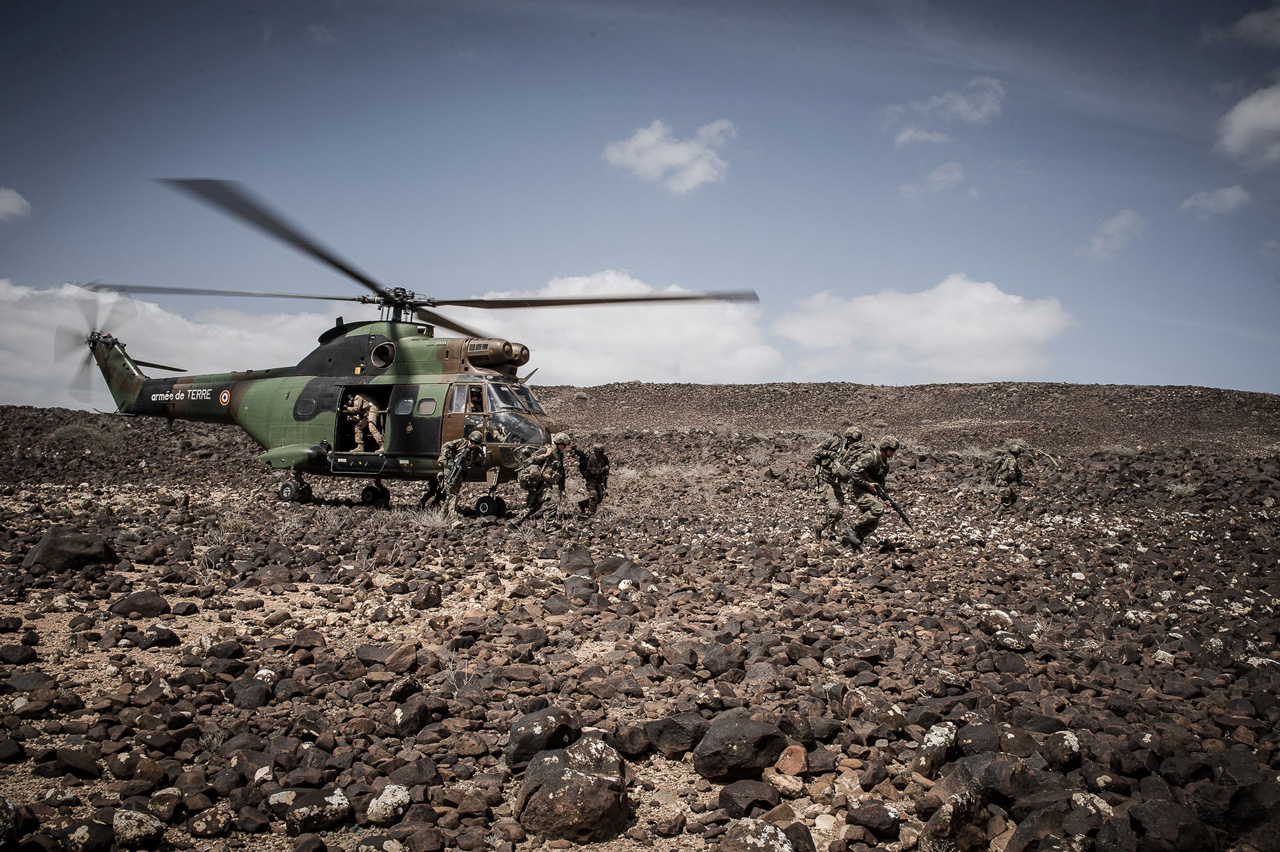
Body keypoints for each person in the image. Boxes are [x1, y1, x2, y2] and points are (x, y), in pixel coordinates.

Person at [842, 435, 900, 551]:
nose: (893, 453)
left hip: (868, 492)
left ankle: (853, 544)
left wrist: (885, 498)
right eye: (892, 450)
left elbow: (880, 484)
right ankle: (852, 528)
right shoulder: (871, 458)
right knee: (878, 509)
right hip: (857, 490)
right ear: (885, 447)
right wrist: (867, 484)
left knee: (873, 523)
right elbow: (853, 473)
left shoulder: (885, 465)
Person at [811, 425, 866, 543]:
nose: (853, 443)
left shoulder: (851, 452)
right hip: (825, 479)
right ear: (848, 437)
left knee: (839, 511)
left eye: (855, 441)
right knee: (834, 508)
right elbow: (815, 451)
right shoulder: (834, 442)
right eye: (852, 440)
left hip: (836, 481)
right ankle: (819, 528)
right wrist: (829, 453)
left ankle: (831, 533)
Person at [511, 432, 572, 528]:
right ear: (559, 443)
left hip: (546, 483)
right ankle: (549, 527)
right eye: (564, 445)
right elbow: (530, 460)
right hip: (540, 483)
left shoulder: (559, 454)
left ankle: (514, 523)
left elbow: (560, 470)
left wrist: (561, 486)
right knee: (552, 503)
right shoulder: (546, 450)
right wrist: (546, 455)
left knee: (533, 506)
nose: (565, 447)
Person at [437, 431, 485, 516]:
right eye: (472, 442)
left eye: (476, 443)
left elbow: (481, 464)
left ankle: (442, 514)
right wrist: (450, 460)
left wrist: (481, 457)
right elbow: (446, 446)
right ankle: (453, 516)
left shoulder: (477, 451)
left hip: (461, 473)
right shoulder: (461, 443)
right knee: (452, 493)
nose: (473, 445)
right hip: (451, 470)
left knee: (453, 493)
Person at [574, 443, 611, 514]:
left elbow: (607, 470)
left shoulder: (604, 458)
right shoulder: (592, 459)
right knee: (593, 495)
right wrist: (604, 469)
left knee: (599, 499)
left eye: (598, 452)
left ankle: (582, 504)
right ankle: (591, 513)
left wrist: (605, 484)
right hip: (590, 479)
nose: (597, 454)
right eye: (596, 452)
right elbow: (593, 471)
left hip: (599, 480)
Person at [991, 440, 1025, 513]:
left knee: (1012, 497)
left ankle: (994, 510)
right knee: (1007, 502)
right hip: (1004, 483)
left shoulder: (1005, 458)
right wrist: (1015, 481)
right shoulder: (1012, 461)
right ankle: (997, 517)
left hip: (999, 480)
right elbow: (1011, 473)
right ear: (1017, 453)